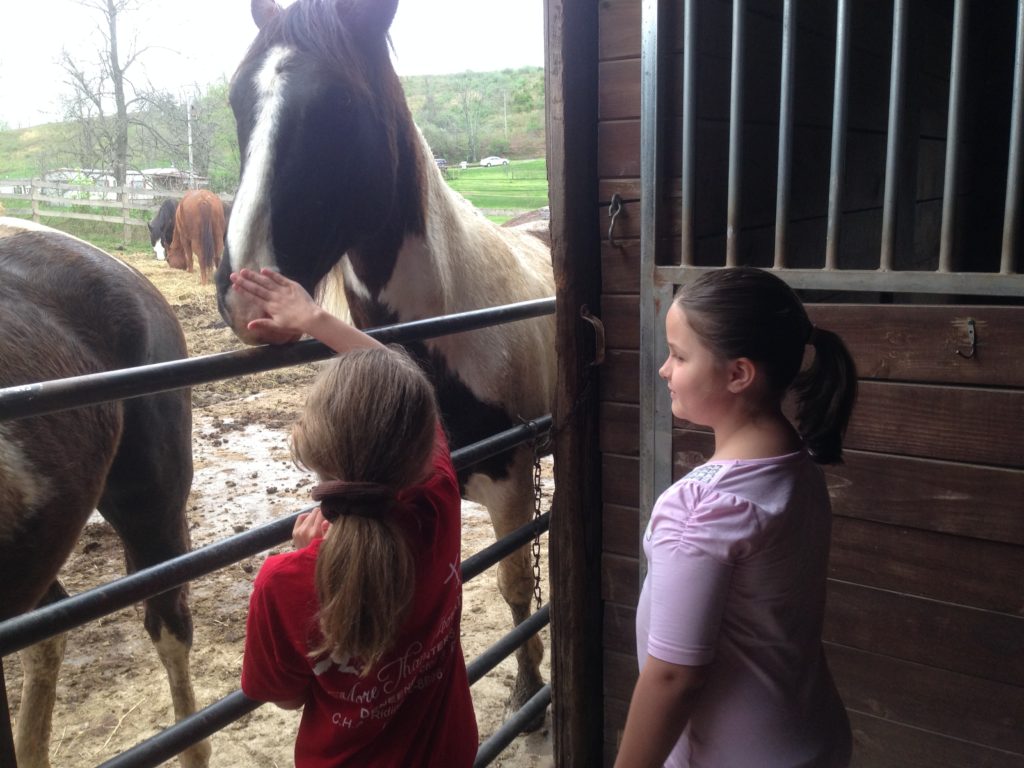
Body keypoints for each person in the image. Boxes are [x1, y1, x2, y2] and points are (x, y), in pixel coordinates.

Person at [231, 267, 478, 767]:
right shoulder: (438, 501)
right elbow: (406, 389)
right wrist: (318, 318)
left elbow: (286, 697)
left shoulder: (284, 582)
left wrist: (306, 558)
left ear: (314, 451)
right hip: (448, 750)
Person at [615, 266, 856, 768]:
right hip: (811, 735)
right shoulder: (796, 463)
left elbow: (673, 677)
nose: (664, 370)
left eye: (679, 356)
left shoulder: (702, 509)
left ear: (738, 374)